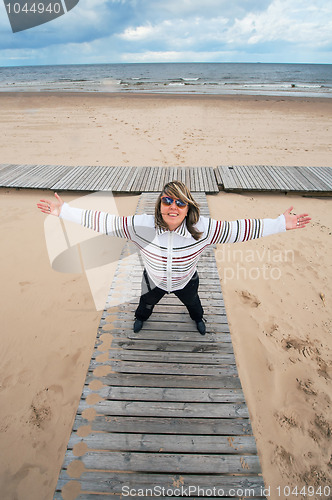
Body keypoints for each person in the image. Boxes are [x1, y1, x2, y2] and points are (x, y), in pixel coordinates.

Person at [37, 180, 311, 335]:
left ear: (188, 207)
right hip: (153, 280)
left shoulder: (204, 230)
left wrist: (279, 224)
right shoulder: (140, 226)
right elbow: (104, 221)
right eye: (167, 201)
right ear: (159, 204)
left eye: (180, 202)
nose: (173, 206)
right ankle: (142, 317)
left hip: (186, 282)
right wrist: (65, 212)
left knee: (195, 306)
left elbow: (242, 229)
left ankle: (198, 318)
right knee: (145, 305)